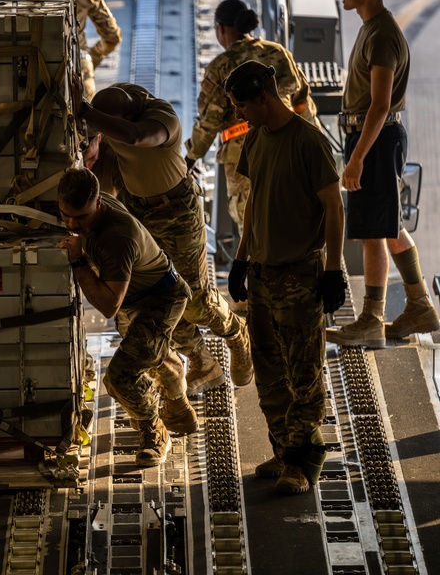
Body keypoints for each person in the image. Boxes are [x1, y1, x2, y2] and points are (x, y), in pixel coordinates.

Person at [81, 83, 253, 395]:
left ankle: (236, 333)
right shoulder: (111, 126)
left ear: (129, 114)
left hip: (176, 211)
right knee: (161, 299)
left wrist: (86, 113)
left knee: (196, 300)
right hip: (140, 210)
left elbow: (135, 136)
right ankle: (202, 361)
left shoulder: (161, 117)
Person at [224, 60, 345, 495]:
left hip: (299, 275)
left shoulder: (308, 142)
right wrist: (241, 259)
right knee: (271, 372)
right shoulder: (256, 137)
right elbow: (255, 199)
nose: (239, 114)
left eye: (242, 105)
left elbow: (334, 207)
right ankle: (283, 449)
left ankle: (304, 462)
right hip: (262, 273)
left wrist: (332, 270)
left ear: (264, 98)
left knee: (304, 374)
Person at [325, 0, 440, 347]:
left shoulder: (381, 36)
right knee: (388, 227)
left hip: (374, 139)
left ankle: (372, 319)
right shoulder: (373, 28)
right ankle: (419, 305)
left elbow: (379, 104)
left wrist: (357, 157)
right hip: (375, 138)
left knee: (373, 233)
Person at [57, 167, 196, 467]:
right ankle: (177, 395)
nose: (71, 223)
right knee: (147, 353)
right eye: (65, 214)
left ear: (97, 203)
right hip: (134, 299)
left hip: (160, 300)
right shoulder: (93, 206)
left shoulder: (116, 237)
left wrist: (78, 261)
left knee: (121, 377)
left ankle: (154, 431)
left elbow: (108, 305)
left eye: (79, 217)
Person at [184, 0, 317, 238]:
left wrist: (191, 157)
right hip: (289, 147)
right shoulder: (277, 52)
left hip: (246, 157)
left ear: (220, 28)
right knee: (295, 213)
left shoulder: (221, 67)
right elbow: (302, 101)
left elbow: (209, 122)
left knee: (255, 227)